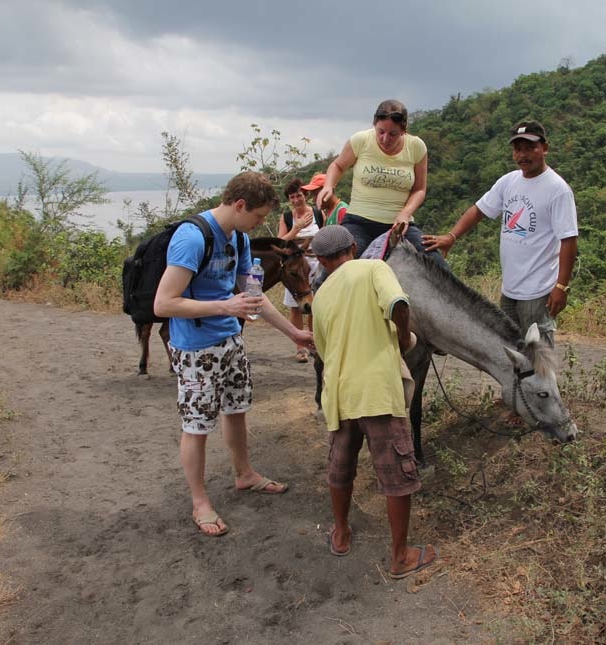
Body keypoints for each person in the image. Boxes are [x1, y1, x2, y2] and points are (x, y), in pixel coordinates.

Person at [154, 171, 314, 537]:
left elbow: (252, 297)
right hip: (196, 349)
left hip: (230, 342)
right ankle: (200, 502)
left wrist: (294, 334)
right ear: (239, 205)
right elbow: (164, 303)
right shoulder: (192, 238)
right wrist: (225, 307)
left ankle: (245, 474)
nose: (260, 224)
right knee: (197, 426)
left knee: (237, 410)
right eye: (258, 216)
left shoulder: (239, 238)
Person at [310, 225, 438, 579]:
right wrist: (400, 339)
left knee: (340, 467)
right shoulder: (374, 268)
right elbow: (398, 303)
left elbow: (321, 349)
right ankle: (400, 558)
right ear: (354, 247)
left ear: (320, 261)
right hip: (377, 389)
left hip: (339, 391)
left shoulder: (320, 295)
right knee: (396, 472)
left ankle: (341, 533)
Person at [423, 120, 578, 347]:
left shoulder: (557, 189)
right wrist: (451, 237)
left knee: (540, 355)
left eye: (530, 148)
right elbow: (478, 210)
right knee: (511, 351)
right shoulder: (509, 181)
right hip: (510, 290)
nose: (523, 155)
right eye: (518, 149)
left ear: (544, 148)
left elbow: (569, 240)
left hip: (538, 291)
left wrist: (561, 287)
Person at [315, 99, 443, 266]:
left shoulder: (417, 147)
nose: (385, 139)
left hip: (400, 225)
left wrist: (405, 213)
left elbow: (419, 189)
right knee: (338, 265)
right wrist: (328, 186)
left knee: (438, 264)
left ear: (404, 130)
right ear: (374, 124)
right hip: (359, 222)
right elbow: (338, 165)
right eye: (381, 132)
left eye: (393, 134)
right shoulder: (360, 140)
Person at [278, 178, 322, 363]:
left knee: (314, 307)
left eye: (299, 196)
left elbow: (324, 235)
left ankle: (313, 342)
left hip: (315, 266)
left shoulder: (318, 214)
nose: (296, 200)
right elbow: (280, 242)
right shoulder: (287, 217)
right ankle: (300, 346)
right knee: (295, 307)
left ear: (306, 196)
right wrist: (296, 228)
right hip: (296, 268)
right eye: (292, 197)